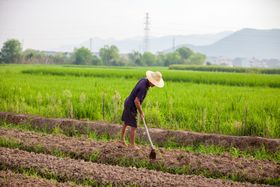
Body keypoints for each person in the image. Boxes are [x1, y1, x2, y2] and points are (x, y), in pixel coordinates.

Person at [120, 70, 164, 149]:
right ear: (151, 81)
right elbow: (136, 101)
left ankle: (122, 140)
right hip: (131, 106)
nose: (155, 85)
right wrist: (141, 112)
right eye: (154, 83)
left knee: (126, 122)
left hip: (128, 101)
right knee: (134, 126)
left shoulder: (143, 80)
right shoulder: (143, 87)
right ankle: (132, 145)